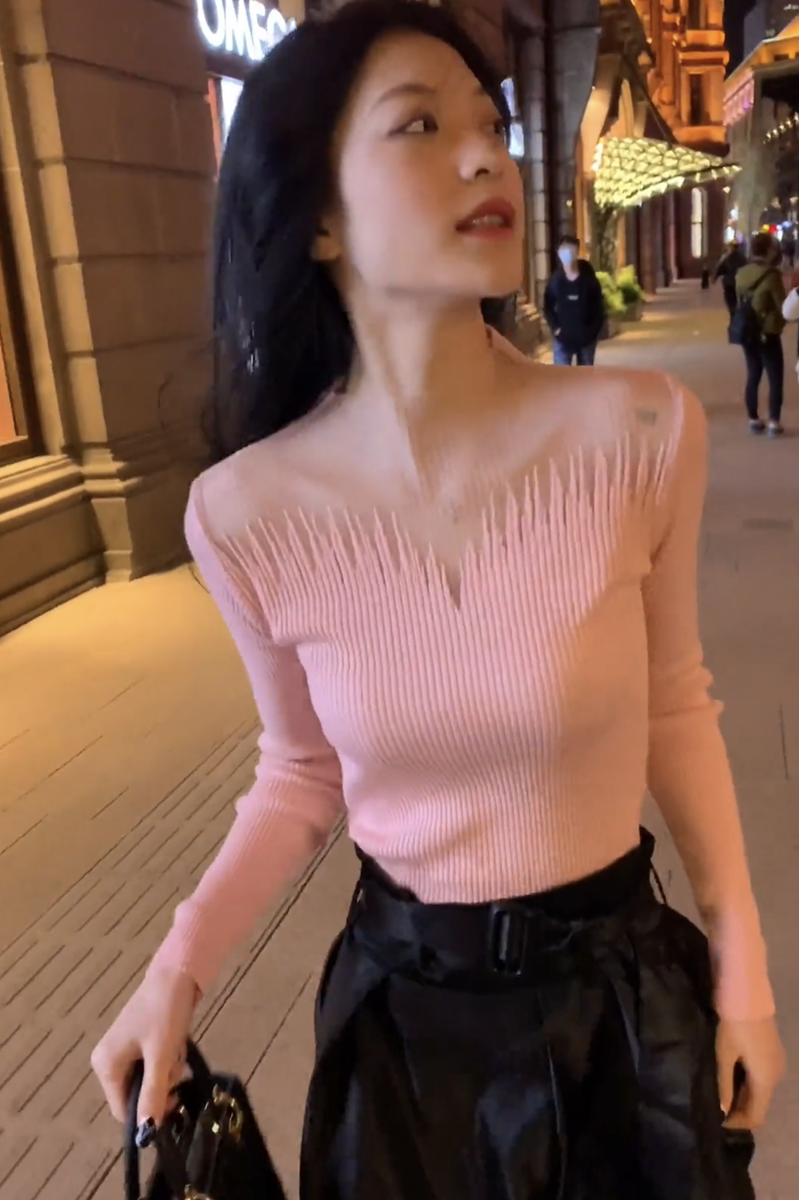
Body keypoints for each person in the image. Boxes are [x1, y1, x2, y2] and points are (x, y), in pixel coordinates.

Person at [90, 4, 784, 1197]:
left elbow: (674, 707)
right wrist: (175, 970)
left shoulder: (634, 433)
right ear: (317, 218)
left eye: (490, 127)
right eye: (419, 126)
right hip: (404, 1035)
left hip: (619, 1013)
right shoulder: (245, 513)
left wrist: (745, 977)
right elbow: (300, 773)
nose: (483, 159)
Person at [734, 232, 787, 436]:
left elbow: (739, 300)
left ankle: (753, 419)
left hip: (748, 330)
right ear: (769, 250)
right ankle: (774, 421)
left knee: (753, 374)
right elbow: (783, 306)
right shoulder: (772, 275)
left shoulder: (741, 273)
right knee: (775, 377)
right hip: (767, 331)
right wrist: (781, 322)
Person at [543, 234, 605, 366]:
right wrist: (556, 328)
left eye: (571, 249)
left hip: (586, 341)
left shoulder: (589, 280)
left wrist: (592, 332)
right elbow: (548, 306)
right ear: (559, 253)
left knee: (585, 375)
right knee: (562, 376)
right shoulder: (556, 281)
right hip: (563, 340)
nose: (567, 254)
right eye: (564, 250)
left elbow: (599, 308)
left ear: (577, 252)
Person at [714, 242, 746, 318]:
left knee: (731, 304)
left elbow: (720, 268)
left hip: (729, 284)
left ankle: (734, 317)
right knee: (738, 302)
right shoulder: (743, 258)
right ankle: (736, 316)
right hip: (739, 283)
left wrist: (715, 277)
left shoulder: (726, 257)